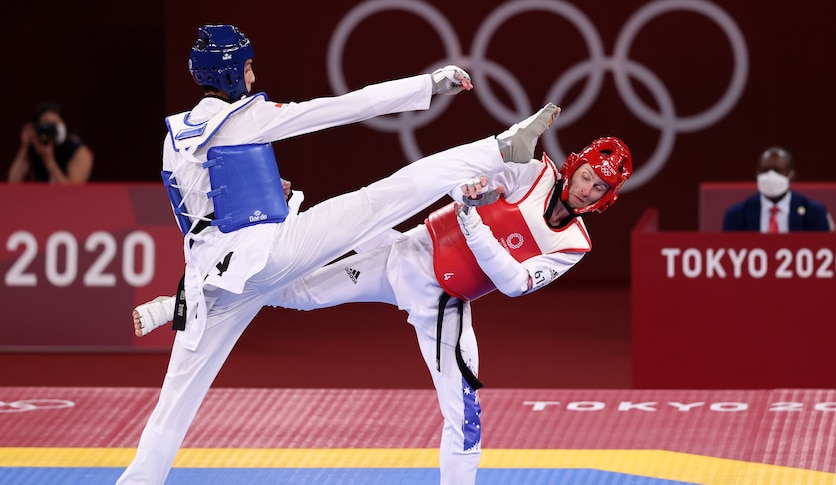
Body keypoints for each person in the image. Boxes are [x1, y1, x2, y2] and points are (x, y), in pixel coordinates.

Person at [116, 22, 561, 485]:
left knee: (172, 409)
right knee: (387, 195)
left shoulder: (172, 137)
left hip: (214, 275)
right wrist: (428, 84)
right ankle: (501, 148)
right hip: (269, 255)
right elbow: (344, 108)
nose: (252, 80)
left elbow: (197, 214)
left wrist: (269, 195)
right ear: (230, 73)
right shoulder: (246, 118)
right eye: (247, 69)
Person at [131, 135, 633, 484]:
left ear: (607, 199)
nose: (587, 189)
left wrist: (474, 222)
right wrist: (469, 193)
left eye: (599, 188)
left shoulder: (574, 244)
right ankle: (181, 297)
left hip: (444, 305)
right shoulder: (530, 169)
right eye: (588, 175)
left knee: (466, 420)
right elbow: (459, 178)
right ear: (574, 164)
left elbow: (515, 283)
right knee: (292, 288)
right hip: (404, 252)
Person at [722, 146, 834, 232]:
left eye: (777, 171)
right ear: (757, 173)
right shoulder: (737, 214)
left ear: (792, 176)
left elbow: (825, 249)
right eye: (764, 170)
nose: (771, 175)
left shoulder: (814, 212)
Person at [7, 100, 94, 183]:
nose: (51, 131)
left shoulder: (77, 150)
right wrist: (24, 147)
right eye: (47, 124)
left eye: (55, 124)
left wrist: (49, 160)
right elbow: (14, 183)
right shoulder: (35, 148)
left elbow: (72, 191)